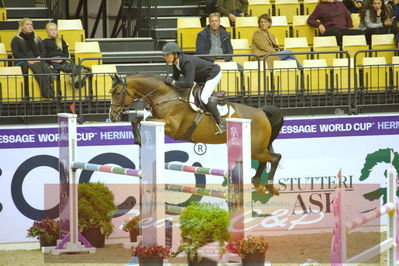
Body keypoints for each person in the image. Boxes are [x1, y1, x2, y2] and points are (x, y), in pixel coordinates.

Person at [162, 42, 226, 135]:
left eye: (167, 55)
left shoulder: (187, 62)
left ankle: (221, 123)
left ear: (175, 54)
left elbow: (188, 83)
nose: (165, 58)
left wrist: (172, 82)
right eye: (164, 55)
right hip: (201, 77)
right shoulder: (176, 63)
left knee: (204, 97)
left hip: (213, 74)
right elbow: (175, 78)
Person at [11, 18, 55, 98]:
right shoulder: (16, 39)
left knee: (43, 67)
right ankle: (47, 94)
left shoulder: (37, 38)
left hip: (37, 60)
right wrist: (28, 60)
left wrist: (39, 58)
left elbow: (43, 51)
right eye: (27, 24)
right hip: (22, 61)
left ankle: (49, 93)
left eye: (31, 25)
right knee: (38, 67)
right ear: (22, 27)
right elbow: (16, 53)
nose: (30, 26)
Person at [42, 22, 90, 88]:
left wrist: (62, 59)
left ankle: (74, 80)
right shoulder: (44, 42)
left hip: (63, 61)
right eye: (51, 30)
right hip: (52, 63)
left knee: (83, 68)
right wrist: (51, 60)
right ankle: (75, 80)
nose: (54, 31)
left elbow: (66, 54)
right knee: (64, 70)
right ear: (47, 32)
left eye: (55, 29)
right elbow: (43, 55)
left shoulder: (61, 41)